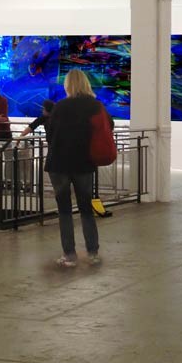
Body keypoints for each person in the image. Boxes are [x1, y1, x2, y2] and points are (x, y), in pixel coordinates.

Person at [45, 70, 105, 268]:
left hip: (59, 163)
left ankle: (69, 254)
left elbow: (50, 134)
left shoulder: (60, 106)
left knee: (64, 210)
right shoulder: (95, 106)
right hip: (83, 163)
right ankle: (93, 252)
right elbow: (108, 127)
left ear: (68, 85)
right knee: (86, 208)